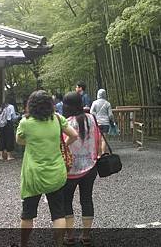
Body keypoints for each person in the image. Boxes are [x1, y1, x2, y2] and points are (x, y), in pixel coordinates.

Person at [16, 90, 79, 247]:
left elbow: (19, 140)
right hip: (56, 173)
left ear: (31, 105)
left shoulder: (26, 123)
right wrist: (61, 144)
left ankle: (24, 244)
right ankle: (59, 244)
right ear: (50, 104)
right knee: (58, 214)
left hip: (33, 175)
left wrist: (32, 141)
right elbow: (74, 135)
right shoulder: (57, 119)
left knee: (28, 214)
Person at [62, 92, 106, 246]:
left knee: (66, 201)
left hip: (70, 170)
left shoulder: (66, 123)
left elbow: (62, 144)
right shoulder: (92, 118)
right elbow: (99, 139)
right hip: (91, 166)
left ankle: (70, 236)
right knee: (87, 200)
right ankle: (86, 235)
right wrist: (99, 153)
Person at [0, 95, 18, 161]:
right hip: (8, 124)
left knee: (2, 138)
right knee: (9, 139)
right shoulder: (11, 106)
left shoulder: (2, 106)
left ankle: (1, 156)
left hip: (1, 124)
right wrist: (19, 116)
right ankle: (8, 156)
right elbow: (13, 117)